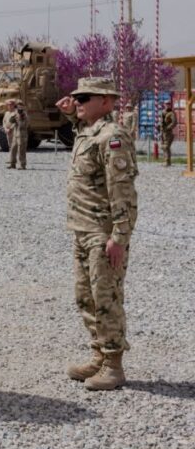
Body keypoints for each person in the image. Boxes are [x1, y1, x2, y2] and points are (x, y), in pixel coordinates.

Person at [56, 77, 138, 391]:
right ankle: (98, 355)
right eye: (77, 96)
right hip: (82, 228)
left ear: (106, 101)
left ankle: (114, 365)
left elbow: (122, 190)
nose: (78, 101)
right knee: (85, 297)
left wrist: (119, 236)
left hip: (103, 232)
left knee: (107, 298)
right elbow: (79, 135)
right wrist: (69, 114)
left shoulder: (113, 136)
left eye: (85, 97)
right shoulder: (89, 132)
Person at [10, 102, 28, 170]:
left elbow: (23, 125)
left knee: (21, 150)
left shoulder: (24, 115)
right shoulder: (16, 114)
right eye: (17, 107)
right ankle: (12, 163)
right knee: (13, 148)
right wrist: (14, 116)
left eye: (20, 107)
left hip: (22, 134)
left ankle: (22, 165)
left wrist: (20, 118)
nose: (18, 109)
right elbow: (11, 121)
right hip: (15, 133)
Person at [2, 99, 17, 166]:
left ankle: (14, 160)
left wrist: (10, 128)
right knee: (10, 146)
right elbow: (4, 122)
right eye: (8, 105)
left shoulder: (15, 113)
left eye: (11, 105)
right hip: (8, 131)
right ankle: (11, 159)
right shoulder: (6, 113)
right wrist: (5, 128)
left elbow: (16, 122)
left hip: (14, 131)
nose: (9, 106)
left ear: (14, 105)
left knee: (14, 146)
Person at [160, 102, 176, 166]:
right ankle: (165, 160)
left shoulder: (171, 113)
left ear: (170, 105)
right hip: (162, 132)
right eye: (166, 104)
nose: (167, 105)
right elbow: (161, 121)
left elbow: (174, 122)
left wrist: (168, 127)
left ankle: (167, 162)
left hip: (168, 132)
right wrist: (159, 126)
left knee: (166, 147)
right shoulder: (163, 112)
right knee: (163, 147)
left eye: (168, 104)